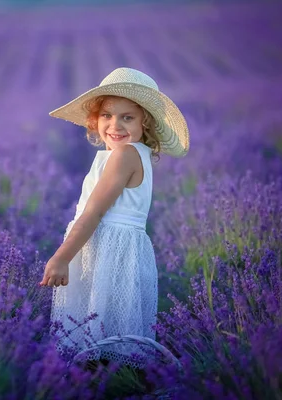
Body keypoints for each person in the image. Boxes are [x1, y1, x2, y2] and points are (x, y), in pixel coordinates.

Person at [39, 67, 190, 372]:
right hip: (115, 250)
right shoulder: (136, 153)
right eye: (107, 115)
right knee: (112, 333)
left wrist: (61, 257)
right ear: (94, 119)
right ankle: (115, 381)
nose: (114, 125)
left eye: (127, 117)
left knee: (98, 337)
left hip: (109, 252)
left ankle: (99, 383)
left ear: (144, 122)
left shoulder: (123, 156)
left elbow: (93, 213)